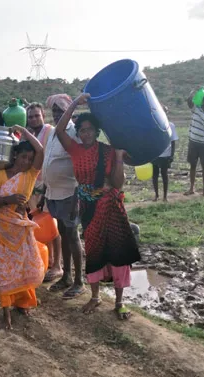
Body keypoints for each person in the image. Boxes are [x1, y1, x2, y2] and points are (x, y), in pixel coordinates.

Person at [54, 93, 141, 320]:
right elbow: (59, 130)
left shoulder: (108, 151)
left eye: (90, 129)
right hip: (88, 208)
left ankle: (120, 301)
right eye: (82, 130)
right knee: (93, 250)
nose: (86, 133)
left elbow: (118, 183)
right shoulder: (75, 149)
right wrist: (74, 103)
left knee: (118, 252)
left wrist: (119, 158)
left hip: (110, 206)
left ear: (97, 131)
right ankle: (95, 296)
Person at [0, 125, 45, 330]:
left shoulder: (31, 175)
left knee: (21, 265)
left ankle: (22, 302)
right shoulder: (1, 174)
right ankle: (6, 311)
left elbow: (41, 151)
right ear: (15, 155)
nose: (27, 162)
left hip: (18, 227)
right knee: (3, 270)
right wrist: (8, 199)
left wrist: (23, 131)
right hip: (0, 228)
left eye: (30, 158)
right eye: (23, 157)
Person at [42, 94, 85, 299]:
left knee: (73, 236)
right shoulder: (52, 132)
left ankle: (79, 281)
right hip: (54, 193)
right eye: (55, 111)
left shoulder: (73, 132)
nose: (57, 114)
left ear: (69, 110)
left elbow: (78, 161)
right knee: (63, 234)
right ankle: (66, 276)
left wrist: (77, 195)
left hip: (69, 193)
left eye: (61, 110)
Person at [25, 102, 63, 283]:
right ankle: (46, 260)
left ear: (43, 116)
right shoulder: (27, 134)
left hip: (48, 185)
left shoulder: (50, 131)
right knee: (39, 224)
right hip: (32, 187)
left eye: (36, 116)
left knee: (53, 225)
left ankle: (58, 265)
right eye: (30, 116)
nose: (33, 119)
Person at [184, 88, 204, 197]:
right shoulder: (196, 109)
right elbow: (189, 101)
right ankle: (191, 188)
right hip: (193, 142)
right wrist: (193, 91)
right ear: (202, 101)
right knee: (192, 166)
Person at [152, 106, 178, 202]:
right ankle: (156, 195)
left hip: (166, 154)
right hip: (155, 154)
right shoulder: (154, 124)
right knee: (154, 175)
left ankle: (165, 197)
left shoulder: (171, 125)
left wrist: (172, 155)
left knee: (164, 175)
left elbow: (173, 141)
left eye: (165, 111)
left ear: (167, 113)